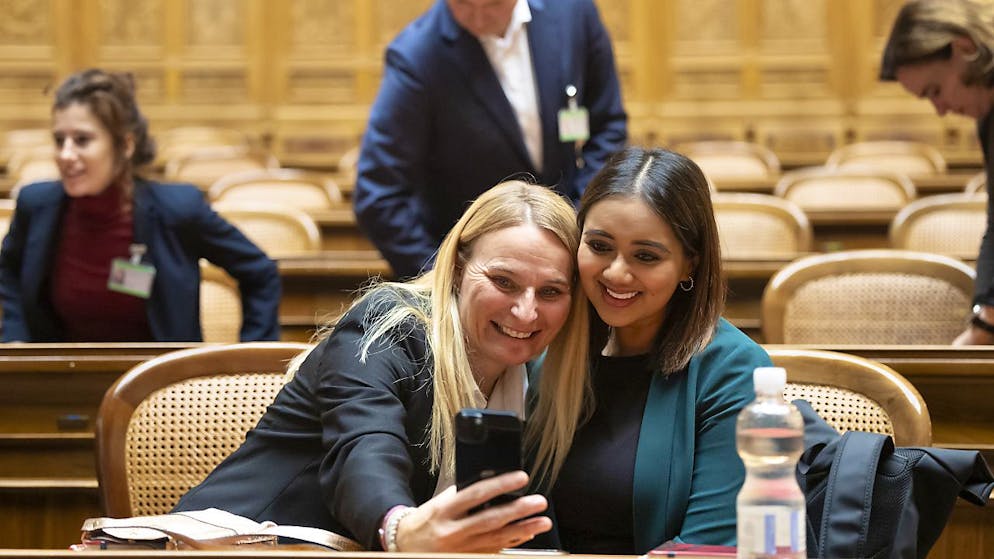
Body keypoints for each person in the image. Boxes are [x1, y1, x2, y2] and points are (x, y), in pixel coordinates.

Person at [174, 180, 591, 553]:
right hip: (241, 545)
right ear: (460, 269)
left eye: (551, 291)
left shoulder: (540, 379)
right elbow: (364, 447)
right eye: (504, 282)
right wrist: (400, 529)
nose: (526, 311)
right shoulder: (388, 326)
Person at [532, 147, 772, 553]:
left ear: (688, 264)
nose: (616, 272)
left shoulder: (732, 370)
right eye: (600, 246)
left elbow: (710, 547)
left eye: (646, 256)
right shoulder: (549, 348)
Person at [0, 69, 280, 342]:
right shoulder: (37, 205)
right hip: (58, 378)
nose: (66, 154)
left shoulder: (178, 209)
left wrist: (252, 357)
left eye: (82, 140)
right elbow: (9, 272)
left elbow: (259, 271)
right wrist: (15, 338)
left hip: (157, 381)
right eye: (60, 140)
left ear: (125, 145)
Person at [353, 0, 627, 279]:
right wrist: (444, 277)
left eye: (494, 4)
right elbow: (378, 194)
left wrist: (580, 221)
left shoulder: (573, 13)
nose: (479, 17)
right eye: (463, 4)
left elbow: (607, 127)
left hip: (571, 257)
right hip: (476, 275)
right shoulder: (416, 56)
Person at [879, 0, 994, 345]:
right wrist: (985, 315)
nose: (941, 111)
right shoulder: (988, 118)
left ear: (965, 48)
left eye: (935, 91)